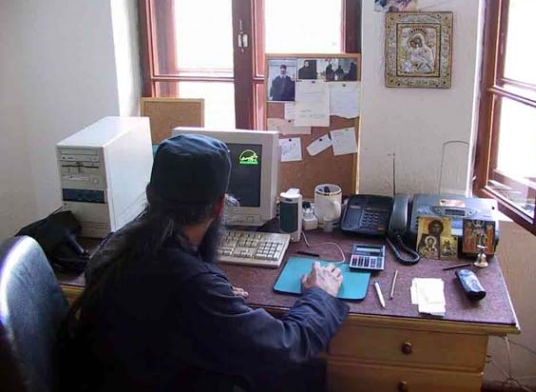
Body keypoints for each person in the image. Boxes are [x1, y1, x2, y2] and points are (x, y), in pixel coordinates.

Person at [59, 134, 348, 392]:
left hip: (119, 376)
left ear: (150, 193)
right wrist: (319, 294)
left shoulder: (116, 244)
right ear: (220, 205)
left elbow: (161, 300)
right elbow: (286, 346)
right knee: (306, 375)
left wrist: (212, 298)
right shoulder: (192, 286)